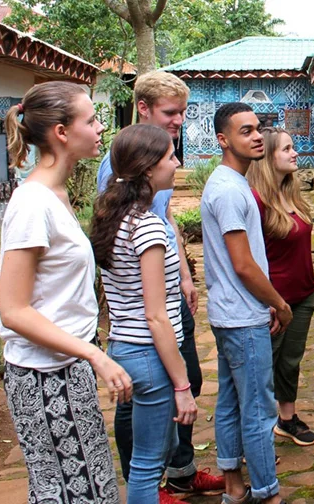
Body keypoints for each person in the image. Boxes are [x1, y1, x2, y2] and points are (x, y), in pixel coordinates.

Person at [0, 81, 130, 503]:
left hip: (65, 366)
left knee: (89, 488)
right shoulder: (32, 204)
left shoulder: (57, 195)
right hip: (44, 375)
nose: (99, 128)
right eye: (90, 121)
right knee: (74, 492)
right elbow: (13, 309)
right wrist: (93, 353)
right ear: (61, 132)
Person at [96, 70, 223, 499]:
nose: (179, 122)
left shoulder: (145, 200)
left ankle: (178, 470)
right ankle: (146, 485)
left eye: (183, 113)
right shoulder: (122, 170)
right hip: (148, 330)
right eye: (171, 113)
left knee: (184, 381)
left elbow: (163, 220)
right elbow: (146, 300)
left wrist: (184, 275)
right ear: (144, 108)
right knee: (147, 408)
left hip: (156, 310)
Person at [90, 124, 198, 503]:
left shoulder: (112, 218)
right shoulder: (147, 226)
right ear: (149, 168)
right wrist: (182, 386)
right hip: (150, 354)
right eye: (170, 156)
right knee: (147, 466)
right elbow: (156, 317)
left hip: (125, 345)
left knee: (152, 454)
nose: (177, 163)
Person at [201, 102, 293, 504]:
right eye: (245, 131)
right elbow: (242, 264)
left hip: (230, 314)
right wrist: (279, 303)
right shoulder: (226, 191)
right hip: (242, 317)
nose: (256, 136)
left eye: (258, 129)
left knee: (230, 403)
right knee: (258, 410)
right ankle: (267, 494)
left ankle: (234, 487)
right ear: (223, 140)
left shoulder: (234, 184)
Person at [247, 127, 314, 447]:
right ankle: (251, 435)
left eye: (294, 147)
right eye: (287, 149)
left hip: (303, 296)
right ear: (268, 157)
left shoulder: (292, 193)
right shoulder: (255, 201)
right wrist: (269, 302)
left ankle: (287, 419)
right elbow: (246, 258)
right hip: (274, 302)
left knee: (291, 361)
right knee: (261, 369)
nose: (294, 153)